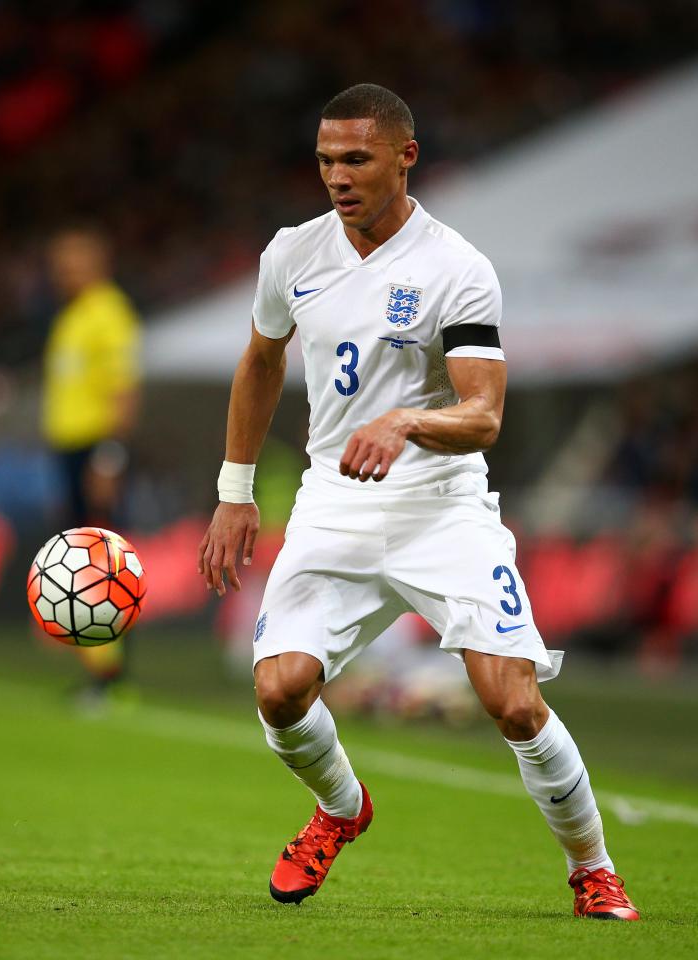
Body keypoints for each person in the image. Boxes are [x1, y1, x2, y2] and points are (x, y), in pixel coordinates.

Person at [198, 84, 639, 920]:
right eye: (326, 159)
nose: (336, 175)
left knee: (512, 700)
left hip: (442, 507)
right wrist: (234, 491)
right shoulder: (292, 254)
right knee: (280, 691)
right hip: (335, 501)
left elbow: (484, 415)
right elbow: (260, 363)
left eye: (355, 158)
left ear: (405, 156)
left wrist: (404, 422)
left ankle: (593, 867)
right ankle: (339, 809)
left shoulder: (455, 268)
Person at [42, 224, 141, 698]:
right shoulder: (74, 315)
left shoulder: (107, 313)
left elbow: (123, 392)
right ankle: (98, 672)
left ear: (96, 263)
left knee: (103, 567)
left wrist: (108, 458)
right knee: (82, 568)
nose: (63, 271)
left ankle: (111, 678)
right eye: (59, 263)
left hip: (94, 451)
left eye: (73, 261)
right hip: (71, 451)